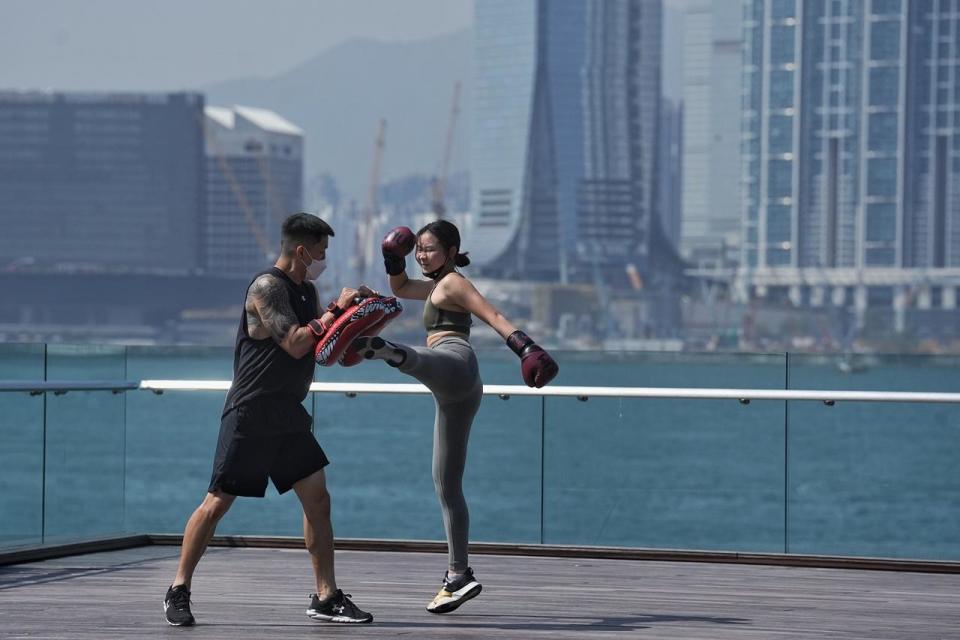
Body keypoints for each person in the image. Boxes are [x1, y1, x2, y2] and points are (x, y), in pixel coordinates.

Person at [163, 213, 375, 626]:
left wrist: (356, 318)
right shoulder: (266, 287)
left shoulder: (307, 291)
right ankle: (178, 589)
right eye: (320, 252)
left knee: (318, 499)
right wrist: (336, 308)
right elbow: (296, 343)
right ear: (301, 250)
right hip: (251, 411)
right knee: (217, 503)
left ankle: (326, 596)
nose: (323, 260)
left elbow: (319, 349)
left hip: (289, 414)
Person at [350, 220, 558, 614]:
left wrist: (527, 348)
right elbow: (400, 289)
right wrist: (391, 260)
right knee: (446, 485)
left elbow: (492, 314)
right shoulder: (435, 286)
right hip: (455, 391)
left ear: (450, 250)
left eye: (429, 249)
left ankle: (387, 351)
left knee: (419, 359)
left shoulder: (455, 284)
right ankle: (457, 576)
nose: (422, 256)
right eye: (418, 251)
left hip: (455, 363)